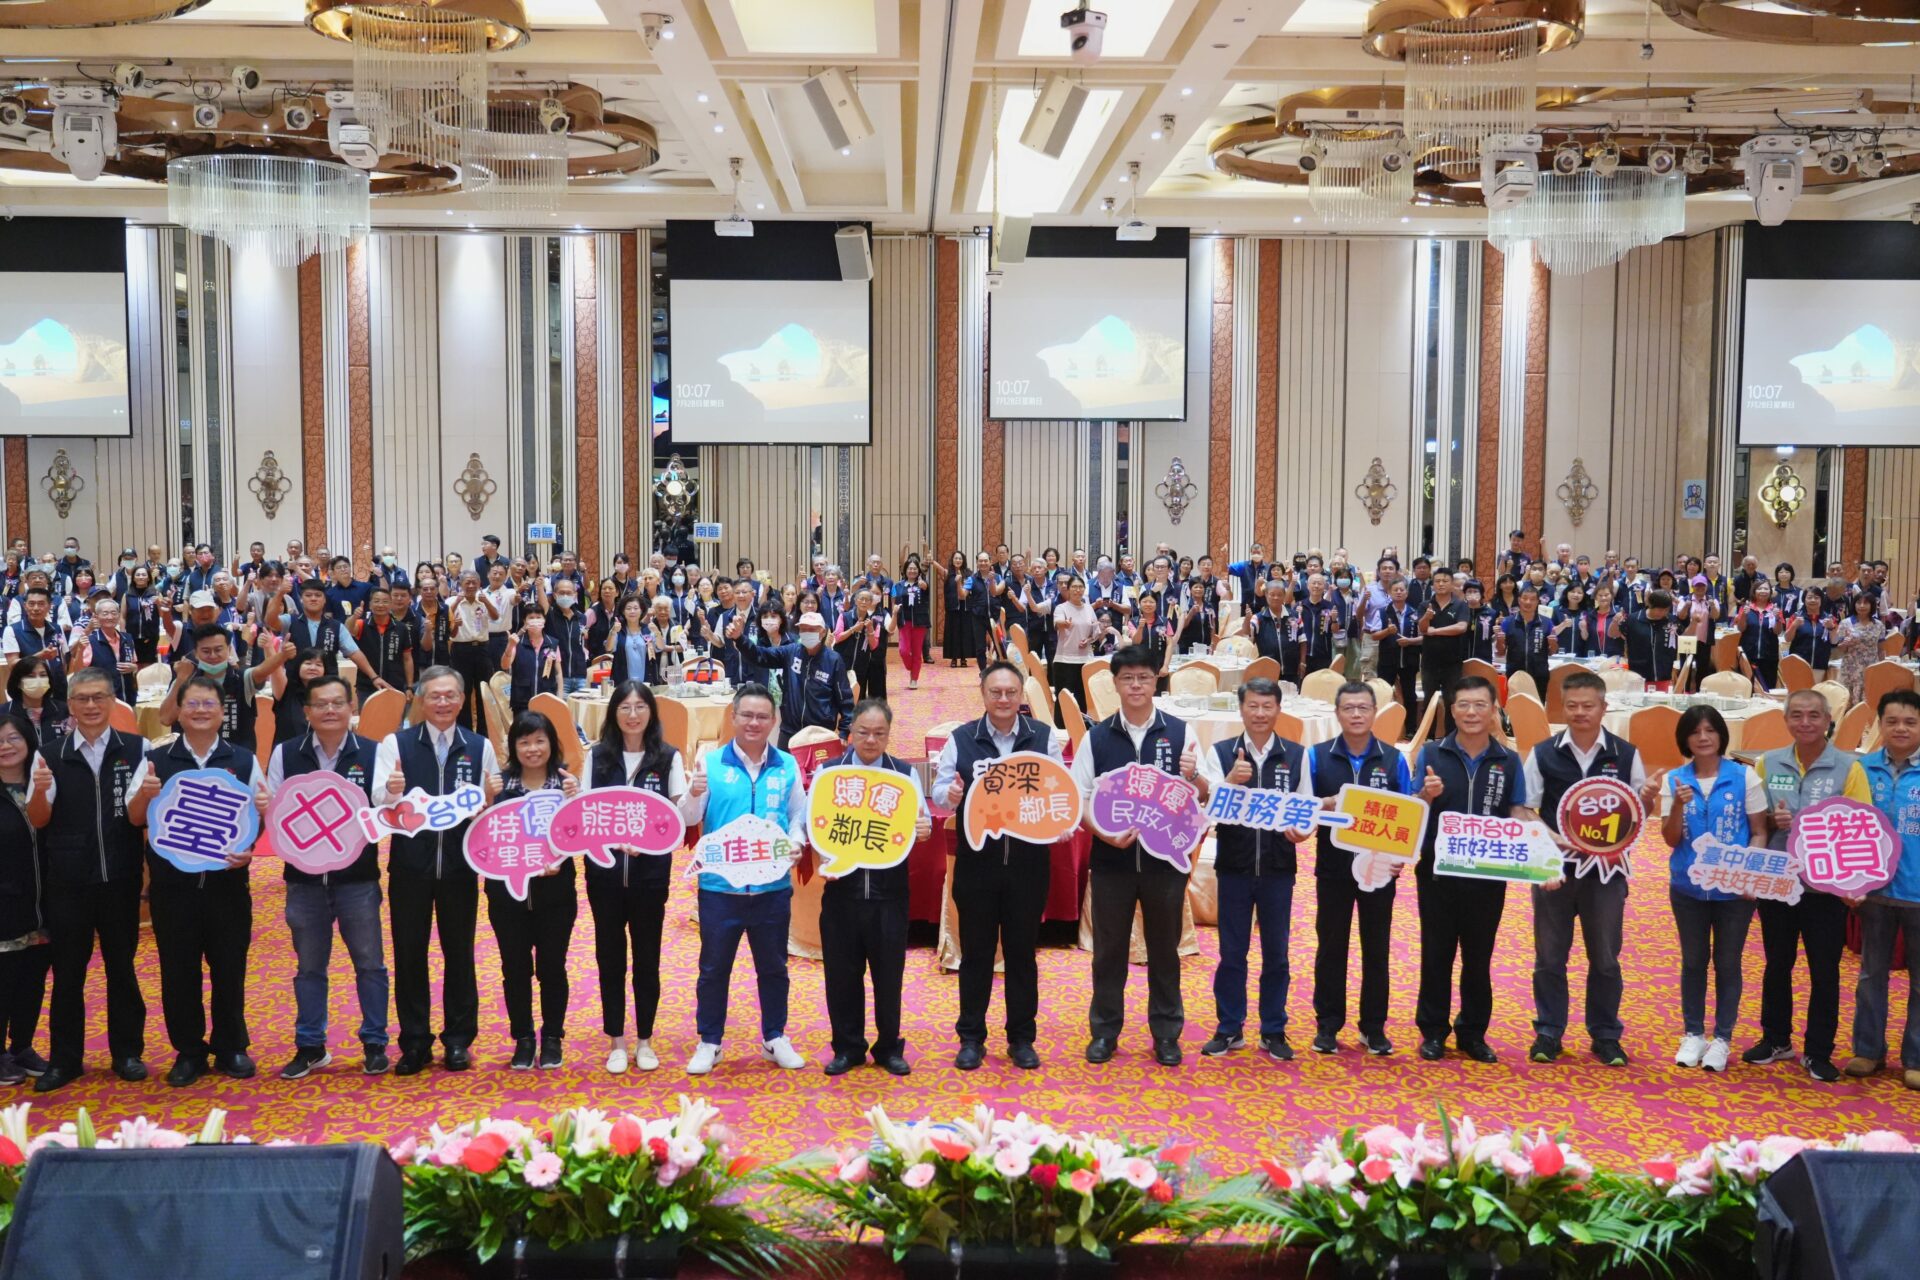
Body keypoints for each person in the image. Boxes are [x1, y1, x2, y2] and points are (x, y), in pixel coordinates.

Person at [127, 675, 266, 1087]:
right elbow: (135, 818)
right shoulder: (158, 758)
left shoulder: (242, 759)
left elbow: (255, 818)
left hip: (227, 886)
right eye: (193, 704)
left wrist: (250, 848)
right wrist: (145, 795)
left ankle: (230, 1046)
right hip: (174, 888)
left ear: (223, 712)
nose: (201, 711)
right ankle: (188, 1051)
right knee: (178, 970)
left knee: (230, 967)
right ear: (178, 713)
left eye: (210, 704)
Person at [931, 660, 1066, 1070]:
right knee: (976, 955)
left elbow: (1062, 792)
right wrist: (950, 795)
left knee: (1023, 955)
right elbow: (938, 791)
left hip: (1028, 866)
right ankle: (971, 1037)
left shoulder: (1044, 738)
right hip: (978, 866)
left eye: (1011, 692)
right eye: (995, 692)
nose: (1003, 699)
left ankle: (1022, 1038)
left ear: (1022, 694)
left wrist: (1059, 822)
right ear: (983, 694)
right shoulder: (961, 739)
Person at [1072, 644, 1198, 1067]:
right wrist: (1103, 836)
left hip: (1165, 864)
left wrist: (1194, 777)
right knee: (1109, 951)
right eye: (1128, 678)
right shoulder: (1098, 736)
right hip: (1112, 862)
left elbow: (1204, 796)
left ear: (1156, 680)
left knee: (1165, 950)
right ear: (1116, 684)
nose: (1137, 685)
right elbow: (1079, 800)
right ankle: (1105, 1032)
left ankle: (1166, 1033)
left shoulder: (1180, 732)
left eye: (1144, 677)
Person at [25, 667, 148, 1092]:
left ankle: (127, 1053)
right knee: (68, 972)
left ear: (113, 700)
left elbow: (140, 816)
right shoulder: (50, 754)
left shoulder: (137, 748)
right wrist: (40, 790)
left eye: (99, 697)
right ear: (70, 705)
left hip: (120, 875)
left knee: (122, 968)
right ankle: (65, 1060)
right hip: (68, 880)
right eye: (82, 699)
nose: (92, 706)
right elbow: (39, 819)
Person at [373, 666, 500, 1075]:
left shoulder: (479, 746)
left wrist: (490, 804)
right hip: (410, 866)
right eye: (435, 696)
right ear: (420, 700)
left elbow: (493, 800)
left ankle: (458, 1041)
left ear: (462, 700)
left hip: (461, 867)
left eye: (450, 696)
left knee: (459, 954)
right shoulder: (397, 743)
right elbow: (378, 800)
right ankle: (414, 1042)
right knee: (409, 955)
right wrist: (390, 793)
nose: (443, 703)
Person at [266, 674, 390, 1079]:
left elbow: (386, 816)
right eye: (321, 704)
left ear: (352, 708)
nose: (331, 710)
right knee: (309, 967)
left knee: (370, 963)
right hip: (303, 881)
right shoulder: (286, 754)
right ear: (307, 712)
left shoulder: (373, 753)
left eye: (338, 703)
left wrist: (393, 796)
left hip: (358, 878)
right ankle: (310, 1045)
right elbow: (277, 815)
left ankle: (374, 1041)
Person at [1742, 690, 1869, 1083]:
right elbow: (1754, 819)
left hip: (1825, 888)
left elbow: (1860, 828)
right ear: (1786, 720)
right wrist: (1771, 819)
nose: (1806, 723)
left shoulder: (1848, 767)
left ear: (1828, 719)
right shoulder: (1768, 762)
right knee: (1777, 964)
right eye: (1797, 715)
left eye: (1814, 715)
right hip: (1779, 880)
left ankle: (1818, 1051)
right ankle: (1776, 1039)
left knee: (1824, 970)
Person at [1521, 670, 1643, 1067]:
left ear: (1604, 707)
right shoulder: (1543, 752)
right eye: (1571, 706)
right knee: (1550, 955)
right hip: (1554, 869)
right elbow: (1524, 808)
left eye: (1588, 706)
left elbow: (1639, 812)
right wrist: (1548, 841)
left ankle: (1606, 1034)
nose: (1579, 713)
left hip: (1606, 872)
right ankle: (1549, 1031)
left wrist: (1652, 799)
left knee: (1606, 956)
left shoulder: (1625, 754)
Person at [684, 683, 808, 1075]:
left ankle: (775, 1036)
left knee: (773, 967)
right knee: (713, 968)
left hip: (772, 888)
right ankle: (710, 1041)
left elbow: (797, 817)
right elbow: (688, 819)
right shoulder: (711, 763)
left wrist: (797, 841)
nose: (754, 723)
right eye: (747, 715)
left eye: (762, 717)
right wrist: (690, 793)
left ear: (773, 722)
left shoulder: (786, 765)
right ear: (733, 717)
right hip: (721, 888)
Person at [1196, 678, 1311, 1061]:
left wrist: (1303, 832)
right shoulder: (1222, 752)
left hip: (1279, 868)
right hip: (1234, 867)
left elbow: (1306, 808)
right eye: (1253, 706)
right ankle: (1229, 1028)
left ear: (1279, 710)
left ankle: (1273, 1029)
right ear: (1241, 709)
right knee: (1232, 953)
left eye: (1267, 707)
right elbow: (1208, 813)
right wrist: (1229, 782)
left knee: (1277, 953)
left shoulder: (1296, 756)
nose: (1260, 714)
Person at [1412, 676, 1523, 1063]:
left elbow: (1519, 811)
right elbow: (1411, 808)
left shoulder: (1508, 760)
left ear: (1494, 710)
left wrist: (1545, 852)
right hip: (1437, 873)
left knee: (1479, 957)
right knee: (1436, 954)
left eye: (1480, 705)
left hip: (1488, 875)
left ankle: (1473, 1033)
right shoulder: (1431, 753)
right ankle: (1433, 1032)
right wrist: (1425, 795)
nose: (1472, 713)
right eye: (1463, 705)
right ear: (1452, 710)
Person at [586, 682, 695, 1075]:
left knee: (647, 959)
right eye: (625, 707)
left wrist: (648, 838)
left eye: (640, 707)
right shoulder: (597, 757)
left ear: (651, 712)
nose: (633, 714)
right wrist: (613, 841)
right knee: (609, 958)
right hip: (605, 876)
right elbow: (585, 816)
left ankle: (645, 1039)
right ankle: (616, 1040)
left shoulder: (667, 758)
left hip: (650, 875)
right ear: (614, 712)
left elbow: (680, 818)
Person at [817, 700, 931, 1077]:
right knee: (841, 976)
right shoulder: (830, 774)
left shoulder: (903, 775)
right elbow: (812, 823)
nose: (870, 740)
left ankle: (888, 1047)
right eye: (863, 732)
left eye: (879, 733)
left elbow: (920, 821)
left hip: (889, 897)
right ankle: (847, 1047)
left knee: (889, 977)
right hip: (842, 895)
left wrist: (923, 828)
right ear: (850, 731)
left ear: (888, 735)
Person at [1660, 705, 1769, 1073]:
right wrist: (1676, 806)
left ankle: (1722, 1038)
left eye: (1710, 730)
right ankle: (1693, 1033)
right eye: (1695, 732)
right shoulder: (1675, 780)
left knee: (1727, 963)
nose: (1703, 737)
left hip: (1733, 893)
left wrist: (1747, 874)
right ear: (1685, 739)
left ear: (1721, 734)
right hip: (1687, 888)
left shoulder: (1744, 777)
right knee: (1693, 962)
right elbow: (1670, 838)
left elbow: (1759, 830)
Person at [1307, 682, 1409, 1056]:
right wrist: (1328, 802)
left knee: (1376, 948)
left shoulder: (1393, 758)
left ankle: (1373, 1027)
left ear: (1374, 712)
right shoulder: (1317, 756)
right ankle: (1328, 1025)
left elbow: (1409, 813)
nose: (1355, 715)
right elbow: (1304, 810)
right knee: (1331, 947)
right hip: (1332, 868)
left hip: (1380, 869)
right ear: (1337, 713)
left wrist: (1401, 856)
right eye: (1348, 708)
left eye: (1363, 708)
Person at [485, 713, 580, 1071]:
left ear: (552, 743)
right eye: (523, 742)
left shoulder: (566, 783)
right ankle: (523, 1038)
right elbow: (482, 839)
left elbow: (580, 834)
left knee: (553, 967)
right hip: (506, 893)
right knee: (515, 967)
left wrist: (577, 798)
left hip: (555, 891)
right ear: (513, 747)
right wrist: (486, 797)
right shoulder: (501, 785)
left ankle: (552, 1036)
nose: (532, 749)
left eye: (539, 740)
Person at [1846, 689, 1920, 1088]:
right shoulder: (1862, 770)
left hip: (1919, 891)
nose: (1901, 728)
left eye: (1910, 721)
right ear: (1880, 724)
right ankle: (1868, 1050)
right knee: (1871, 975)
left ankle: (1917, 1057)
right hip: (1874, 891)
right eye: (1892, 721)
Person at [0, 714, 49, 1085]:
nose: (6, 746)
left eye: (13, 737)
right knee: (4, 980)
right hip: (5, 903)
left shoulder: (45, 783)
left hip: (44, 902)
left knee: (33, 979)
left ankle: (22, 1046)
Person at [742, 611, 852, 749]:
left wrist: (843, 733)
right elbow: (759, 655)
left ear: (822, 632)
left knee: (818, 771)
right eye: (803, 629)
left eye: (811, 630)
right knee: (785, 770)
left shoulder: (834, 660)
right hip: (789, 731)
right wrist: (739, 639)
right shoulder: (790, 652)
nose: (807, 633)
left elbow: (845, 700)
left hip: (820, 734)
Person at [1417, 567, 1471, 733]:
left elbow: (1461, 627)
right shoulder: (1425, 605)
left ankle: (1451, 737)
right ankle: (1427, 737)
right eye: (1437, 581)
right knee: (1429, 701)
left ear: (1452, 584)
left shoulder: (1460, 605)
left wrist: (1437, 631)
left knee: (1451, 700)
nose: (1441, 584)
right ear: (1433, 584)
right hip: (1429, 662)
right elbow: (1423, 629)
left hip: (1452, 663)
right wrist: (1427, 618)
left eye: (1445, 581)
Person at [500, 611, 562, 717]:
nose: (535, 620)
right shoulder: (517, 643)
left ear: (544, 620)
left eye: (538, 617)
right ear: (525, 621)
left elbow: (558, 673)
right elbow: (504, 665)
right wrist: (510, 646)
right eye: (531, 617)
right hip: (522, 702)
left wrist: (559, 697)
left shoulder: (552, 643)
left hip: (546, 700)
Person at [1614, 589, 1679, 688]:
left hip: (1665, 675)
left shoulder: (1671, 620)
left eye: (1666, 610)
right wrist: (1614, 622)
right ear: (1651, 605)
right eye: (1660, 610)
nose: (1664, 613)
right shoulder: (1633, 619)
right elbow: (1614, 634)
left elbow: (1683, 639)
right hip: (1638, 675)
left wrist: (1694, 624)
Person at [1498, 584, 1555, 695]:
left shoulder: (1547, 622)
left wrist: (1553, 644)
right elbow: (1500, 652)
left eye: (1533, 599)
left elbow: (1552, 651)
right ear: (1519, 600)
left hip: (1539, 675)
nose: (1528, 602)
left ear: (1538, 601)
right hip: (1515, 675)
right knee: (1515, 709)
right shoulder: (1507, 622)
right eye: (1525, 598)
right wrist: (1500, 641)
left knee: (1538, 709)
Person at [1834, 592, 1889, 706]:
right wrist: (1845, 644)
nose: (1862, 606)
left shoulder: (1879, 625)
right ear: (1854, 604)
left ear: (1872, 605)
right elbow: (1840, 649)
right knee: (1847, 705)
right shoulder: (1846, 623)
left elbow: (1881, 649)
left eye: (1866, 603)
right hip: (1850, 670)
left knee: (1869, 704)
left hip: (1870, 669)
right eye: (1859, 602)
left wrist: (1883, 668)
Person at [2, 656, 66, 751]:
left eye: (43, 675)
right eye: (30, 676)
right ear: (18, 682)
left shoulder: (64, 709)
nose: (38, 680)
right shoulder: (3, 712)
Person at [893, 560, 932, 691]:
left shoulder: (922, 584)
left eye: (915, 569)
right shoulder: (898, 585)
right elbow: (894, 601)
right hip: (904, 622)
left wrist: (924, 586)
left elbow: (926, 589)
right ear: (905, 570)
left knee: (916, 651)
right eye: (910, 568)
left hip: (919, 622)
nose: (912, 571)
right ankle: (911, 667)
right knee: (903, 651)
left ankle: (914, 678)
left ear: (918, 571)